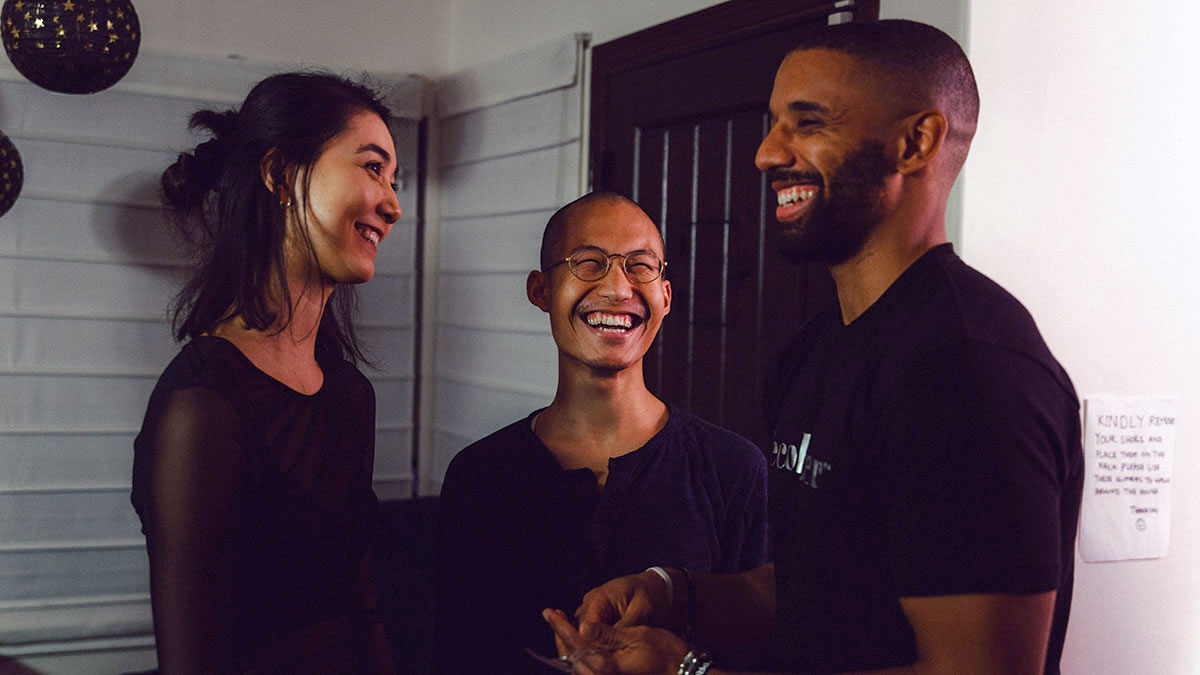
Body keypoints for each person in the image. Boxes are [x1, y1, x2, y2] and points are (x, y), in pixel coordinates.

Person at [545, 20, 1084, 675]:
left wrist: (688, 673)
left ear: (916, 142)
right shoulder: (811, 355)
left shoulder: (967, 370)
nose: (767, 153)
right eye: (773, 122)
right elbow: (811, 585)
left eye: (808, 122)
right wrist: (670, 590)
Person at [130, 72, 401, 674]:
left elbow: (364, 610)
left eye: (393, 178)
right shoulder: (203, 406)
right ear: (280, 174)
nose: (393, 204)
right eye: (372, 168)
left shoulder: (349, 393)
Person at [433, 193, 770, 673]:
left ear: (666, 296)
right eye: (588, 263)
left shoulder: (733, 468)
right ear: (541, 290)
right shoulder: (479, 475)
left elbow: (757, 651)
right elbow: (457, 657)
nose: (618, 286)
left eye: (641, 266)